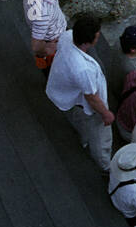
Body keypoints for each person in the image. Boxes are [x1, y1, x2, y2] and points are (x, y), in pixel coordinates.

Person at [46, 16, 113, 173]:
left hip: (67, 95)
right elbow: (91, 97)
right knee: (100, 137)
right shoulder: (83, 70)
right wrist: (105, 113)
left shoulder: (67, 36)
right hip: (84, 103)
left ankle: (83, 138)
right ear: (88, 42)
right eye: (97, 35)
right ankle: (105, 164)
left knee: (79, 120)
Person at [23, 0, 67, 79]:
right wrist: (50, 47)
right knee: (52, 67)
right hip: (52, 39)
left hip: (52, 29)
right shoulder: (43, 15)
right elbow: (36, 46)